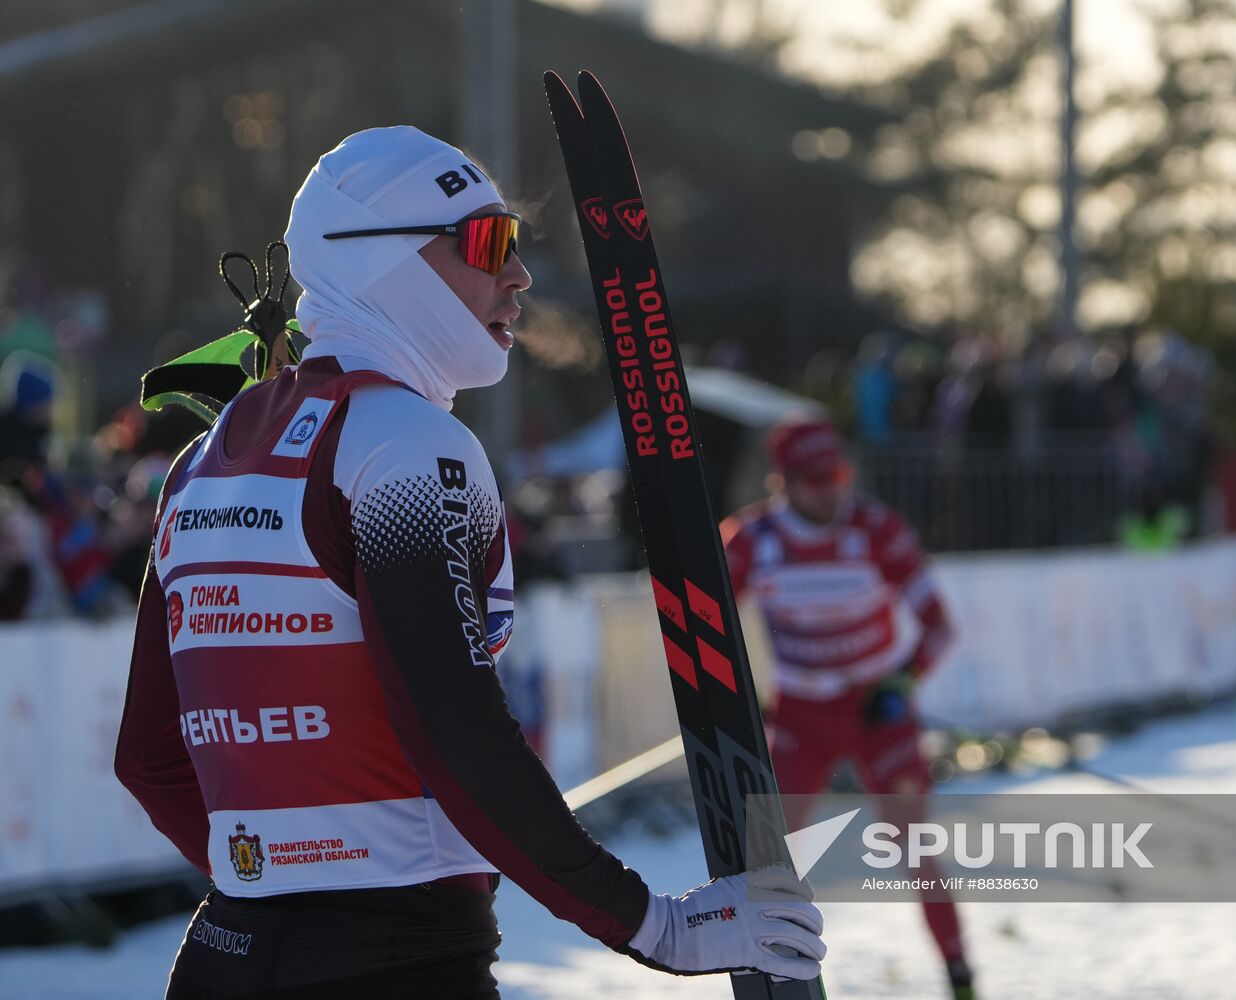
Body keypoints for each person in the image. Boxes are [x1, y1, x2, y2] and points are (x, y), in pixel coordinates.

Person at [114, 126, 823, 999]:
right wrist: (656, 927)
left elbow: (147, 755)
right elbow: (455, 731)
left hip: (228, 958)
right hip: (396, 966)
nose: (518, 276)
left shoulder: (201, 461)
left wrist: (275, 886)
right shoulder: (405, 445)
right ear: (383, 263)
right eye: (488, 243)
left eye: (516, 244)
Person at [721, 417, 974, 1000]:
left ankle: (961, 978)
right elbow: (707, 625)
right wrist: (740, 699)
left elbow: (938, 627)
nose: (831, 490)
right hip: (803, 715)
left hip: (877, 712)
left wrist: (900, 684)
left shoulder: (875, 528)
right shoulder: (753, 539)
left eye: (837, 474)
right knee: (771, 858)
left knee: (912, 842)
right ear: (781, 482)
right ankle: (780, 980)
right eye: (814, 480)